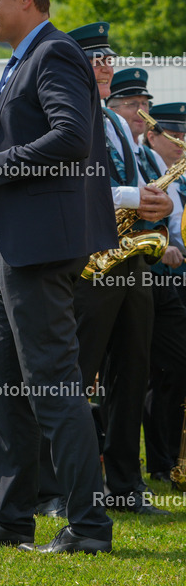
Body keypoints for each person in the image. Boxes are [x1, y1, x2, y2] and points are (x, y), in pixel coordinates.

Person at [0, 0, 116, 554]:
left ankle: (89, 527)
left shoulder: (54, 53)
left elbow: (71, 136)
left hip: (40, 251)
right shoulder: (27, 60)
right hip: (18, 247)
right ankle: (12, 519)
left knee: (54, 388)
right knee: (8, 392)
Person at [34, 23, 172, 518]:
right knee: (76, 374)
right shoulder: (68, 115)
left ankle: (125, 483)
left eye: (109, 57)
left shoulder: (115, 122)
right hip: (90, 262)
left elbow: (132, 182)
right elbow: (78, 188)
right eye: (96, 58)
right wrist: (136, 197)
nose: (107, 65)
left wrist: (155, 200)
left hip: (129, 255)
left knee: (131, 374)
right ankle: (55, 489)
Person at [140, 102, 186, 483]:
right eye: (175, 135)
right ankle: (158, 462)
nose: (181, 142)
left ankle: (168, 460)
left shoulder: (158, 164)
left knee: (172, 368)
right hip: (143, 272)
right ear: (153, 135)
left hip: (167, 275)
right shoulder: (142, 158)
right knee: (148, 371)